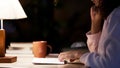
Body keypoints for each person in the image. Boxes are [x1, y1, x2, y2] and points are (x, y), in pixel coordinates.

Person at [58, 0, 120, 68]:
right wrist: (95, 23)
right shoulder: (111, 15)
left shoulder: (117, 17)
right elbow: (97, 55)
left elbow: (110, 64)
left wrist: (78, 54)